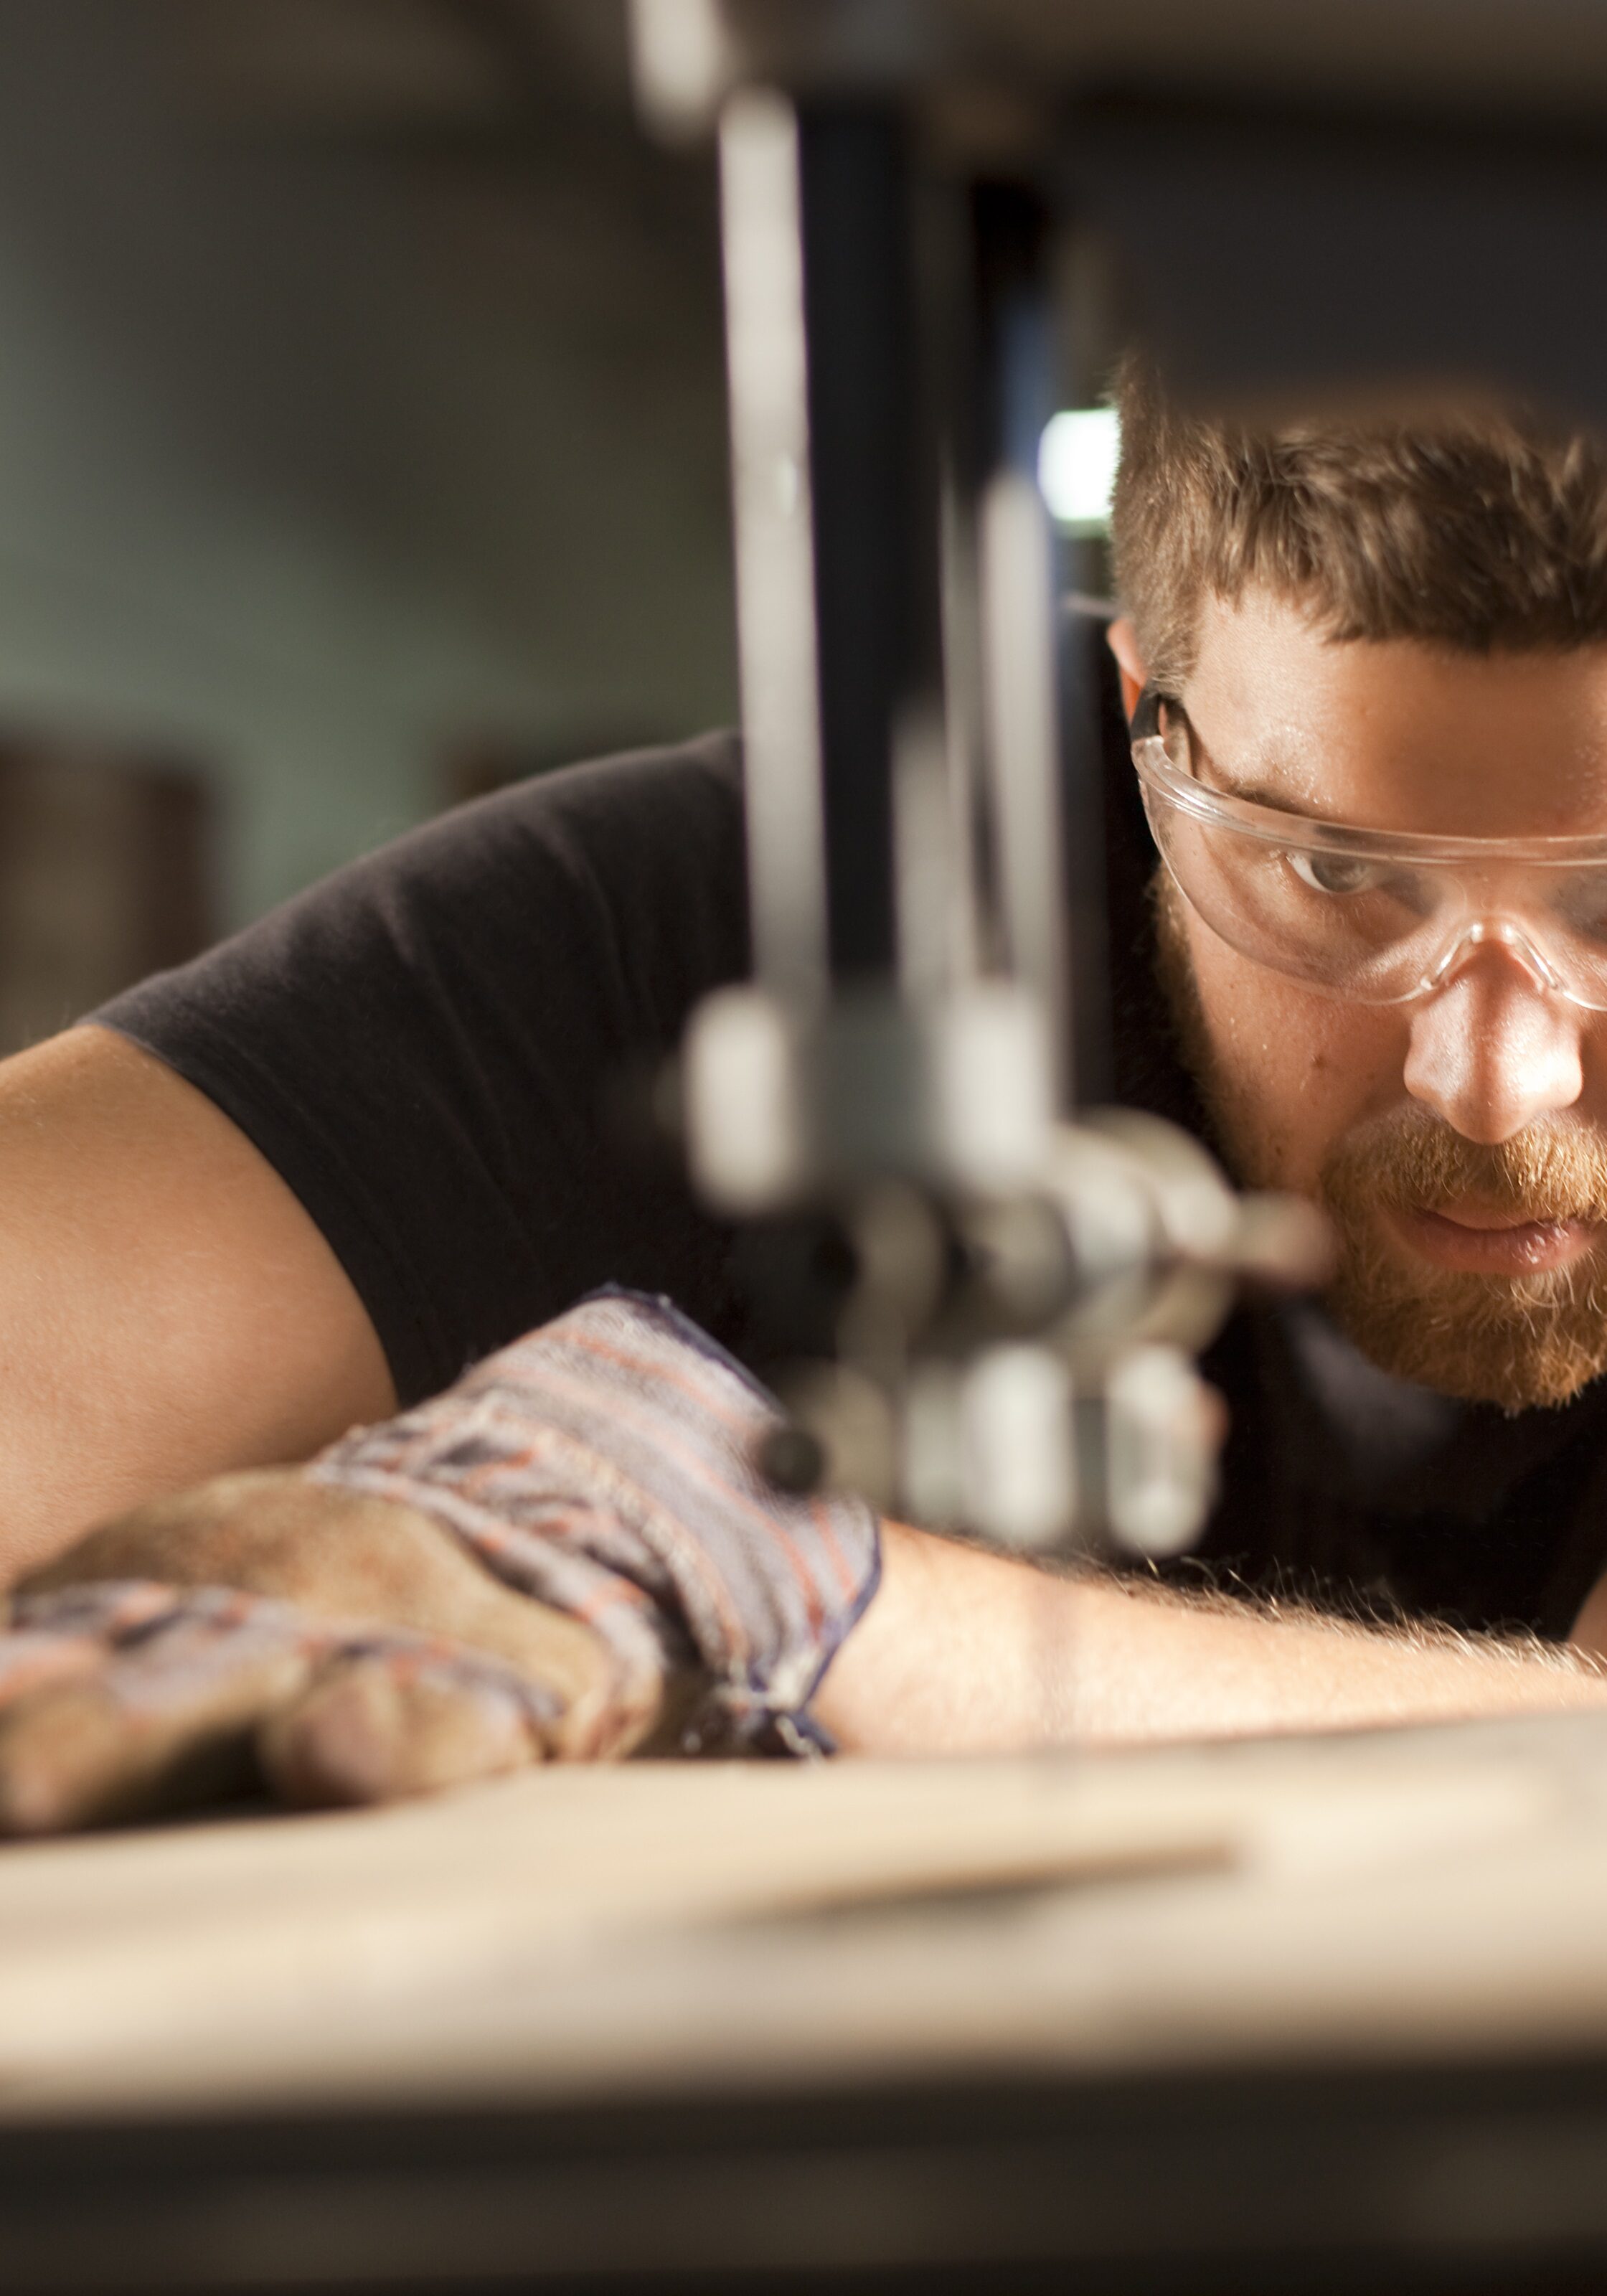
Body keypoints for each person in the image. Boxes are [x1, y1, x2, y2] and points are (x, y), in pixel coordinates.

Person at [8, 359, 1607, 1830]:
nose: (1487, 1082)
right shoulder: (802, 905)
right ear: (1142, 719)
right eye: (1329, 868)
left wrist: (773, 1577)